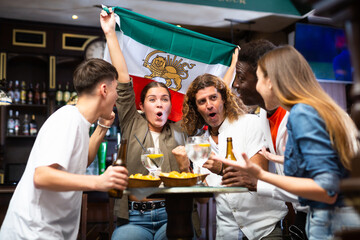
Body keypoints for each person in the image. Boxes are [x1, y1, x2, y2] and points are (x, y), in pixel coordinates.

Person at [214, 45, 360, 240]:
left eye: (258, 78)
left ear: (271, 81)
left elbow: (327, 189)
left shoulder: (301, 113)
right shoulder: (309, 108)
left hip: (329, 220)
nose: (254, 86)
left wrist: (260, 177)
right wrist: (279, 159)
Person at [0, 58, 129, 239]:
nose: (117, 96)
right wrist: (99, 182)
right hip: (32, 232)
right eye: (116, 90)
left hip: (47, 231)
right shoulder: (68, 119)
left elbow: (81, 161)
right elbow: (42, 176)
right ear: (104, 90)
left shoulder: (79, 122)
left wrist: (103, 126)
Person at [100, 9, 200, 240]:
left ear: (169, 106)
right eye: (152, 99)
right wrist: (110, 33)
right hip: (134, 218)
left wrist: (230, 66)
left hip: (172, 216)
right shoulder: (131, 122)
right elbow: (123, 77)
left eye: (164, 99)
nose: (159, 104)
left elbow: (209, 96)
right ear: (142, 106)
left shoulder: (179, 130)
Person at [181, 73, 288, 240]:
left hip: (264, 229)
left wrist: (221, 169)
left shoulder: (250, 123)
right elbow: (203, 199)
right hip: (227, 232)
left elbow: (257, 176)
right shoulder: (200, 144)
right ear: (196, 108)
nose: (209, 105)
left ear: (223, 99)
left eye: (213, 98)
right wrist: (185, 169)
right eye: (202, 101)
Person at [223, 39, 308, 239]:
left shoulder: (299, 117)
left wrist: (258, 182)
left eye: (241, 77)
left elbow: (319, 188)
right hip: (302, 216)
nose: (235, 84)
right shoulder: (262, 114)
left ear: (266, 78)